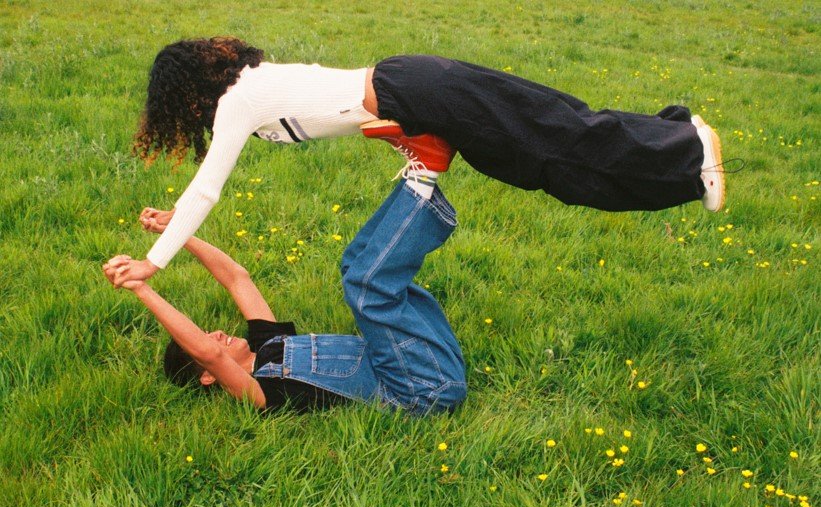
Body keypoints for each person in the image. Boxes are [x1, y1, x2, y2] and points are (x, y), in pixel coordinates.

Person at [115, 36, 728, 286]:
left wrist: (153, 262)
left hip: (421, 92)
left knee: (556, 144)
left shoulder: (238, 101)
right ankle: (679, 136)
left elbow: (207, 190)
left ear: (186, 93)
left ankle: (690, 153)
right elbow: (352, 115)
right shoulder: (250, 88)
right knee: (552, 145)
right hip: (417, 94)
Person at [104, 135, 466, 414]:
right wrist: (141, 288)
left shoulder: (268, 343)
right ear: (208, 376)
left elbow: (236, 278)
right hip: (422, 389)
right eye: (205, 340)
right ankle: (422, 187)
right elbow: (208, 351)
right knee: (365, 286)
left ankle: (419, 174)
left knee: (353, 265)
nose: (214, 334)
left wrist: (178, 233)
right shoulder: (261, 391)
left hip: (433, 360)